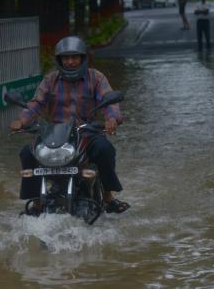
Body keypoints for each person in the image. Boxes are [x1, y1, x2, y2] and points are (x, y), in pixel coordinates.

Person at [10, 36, 130, 214]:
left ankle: (107, 197)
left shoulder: (96, 77)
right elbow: (36, 104)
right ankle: (36, 201)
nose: (71, 62)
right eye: (66, 58)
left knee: (105, 149)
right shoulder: (50, 80)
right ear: (60, 60)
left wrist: (111, 119)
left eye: (75, 57)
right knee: (27, 153)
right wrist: (22, 121)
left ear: (83, 58)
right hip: (55, 135)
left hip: (87, 133)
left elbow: (109, 101)